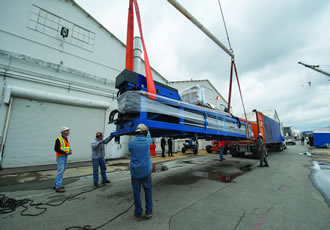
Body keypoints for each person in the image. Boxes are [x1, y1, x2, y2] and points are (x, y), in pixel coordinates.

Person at [128, 124, 153, 220]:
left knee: (136, 193)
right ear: (144, 132)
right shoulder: (147, 141)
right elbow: (149, 136)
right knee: (148, 191)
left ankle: (138, 212)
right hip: (146, 171)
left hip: (135, 172)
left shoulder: (131, 142)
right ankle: (149, 212)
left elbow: (130, 150)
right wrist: (148, 129)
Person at [54, 127, 72, 193]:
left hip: (65, 156)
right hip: (60, 157)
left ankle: (56, 184)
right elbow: (56, 149)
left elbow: (66, 147)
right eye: (67, 131)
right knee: (60, 170)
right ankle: (58, 187)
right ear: (64, 132)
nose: (68, 132)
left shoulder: (66, 138)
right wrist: (65, 152)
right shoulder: (59, 139)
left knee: (62, 170)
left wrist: (70, 150)